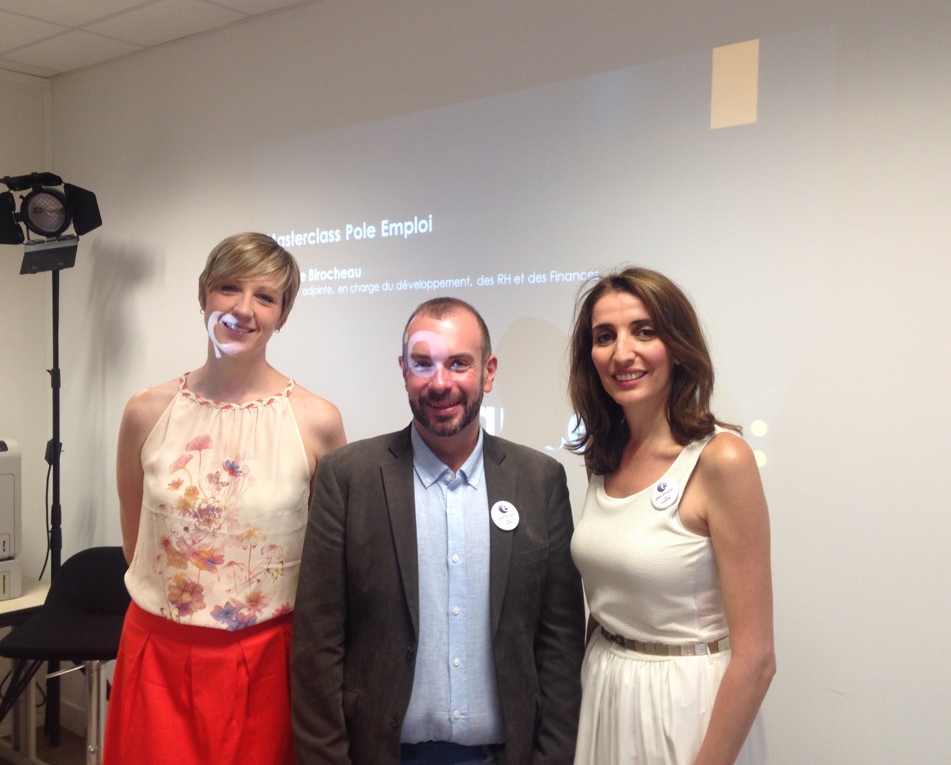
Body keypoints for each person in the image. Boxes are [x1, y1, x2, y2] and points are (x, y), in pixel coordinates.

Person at [291, 297, 586, 765]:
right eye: (423, 363)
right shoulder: (348, 478)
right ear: (403, 371)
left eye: (459, 364)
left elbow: (560, 648)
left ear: (488, 372)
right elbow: (317, 644)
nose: (440, 382)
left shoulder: (539, 481)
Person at [104, 232, 346, 765]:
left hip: (267, 663)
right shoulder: (146, 412)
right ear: (203, 295)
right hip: (159, 656)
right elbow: (135, 544)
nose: (243, 309)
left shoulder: (317, 422)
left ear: (283, 315)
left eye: (266, 297)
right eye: (229, 288)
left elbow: (327, 563)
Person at [566, 267, 775, 765]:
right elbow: (610, 598)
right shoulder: (605, 456)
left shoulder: (721, 460)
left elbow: (757, 660)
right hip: (605, 690)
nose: (622, 353)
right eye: (605, 336)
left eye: (644, 331)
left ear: (678, 346)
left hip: (685, 705)